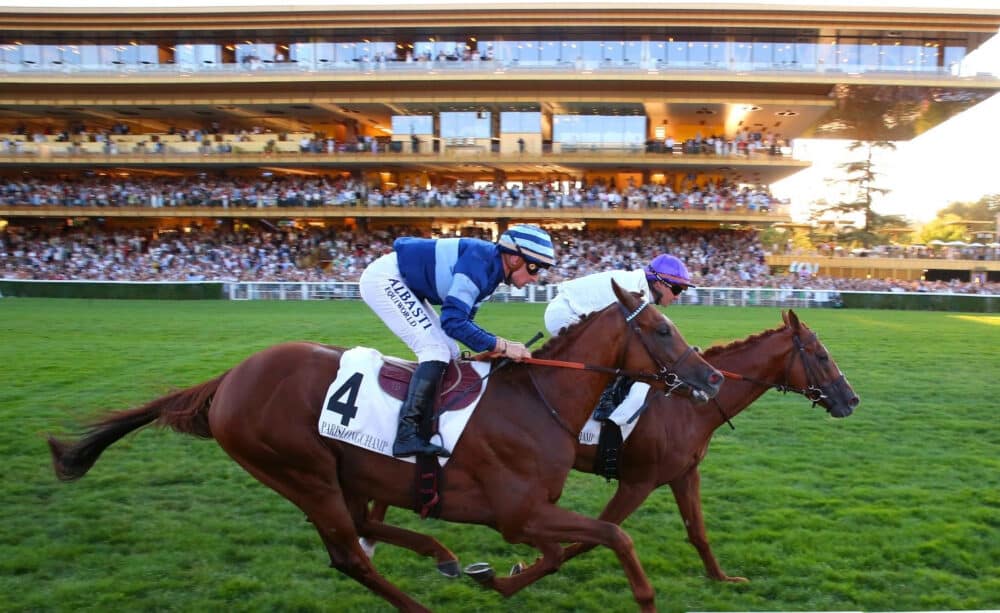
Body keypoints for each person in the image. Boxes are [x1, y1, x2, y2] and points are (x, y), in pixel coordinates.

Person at [359, 224, 556, 457]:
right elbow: (453, 322)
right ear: (514, 259)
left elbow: (461, 326)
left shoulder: (491, 271)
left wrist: (489, 351)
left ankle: (428, 422)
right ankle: (406, 435)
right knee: (434, 350)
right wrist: (501, 344)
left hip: (404, 282)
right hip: (386, 279)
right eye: (534, 269)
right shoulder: (480, 264)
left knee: (450, 351)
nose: (535, 278)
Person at [543, 253, 695, 421]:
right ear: (659, 284)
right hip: (566, 313)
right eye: (677, 289)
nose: (678, 296)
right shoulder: (635, 290)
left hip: (573, 310)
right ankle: (603, 401)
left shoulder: (639, 288)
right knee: (626, 351)